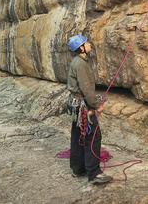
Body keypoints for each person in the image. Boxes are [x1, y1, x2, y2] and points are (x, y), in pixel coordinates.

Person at [66, 34, 112, 185]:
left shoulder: (76, 62)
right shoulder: (81, 64)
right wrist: (97, 105)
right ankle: (94, 173)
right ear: (81, 48)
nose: (89, 44)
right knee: (93, 136)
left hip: (76, 106)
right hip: (83, 107)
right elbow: (86, 89)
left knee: (78, 135)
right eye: (86, 43)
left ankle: (77, 168)